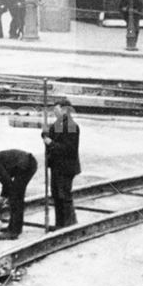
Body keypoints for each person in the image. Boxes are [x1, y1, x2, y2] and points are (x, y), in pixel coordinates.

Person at [43, 97, 81, 230]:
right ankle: (61, 224)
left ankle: (69, 225)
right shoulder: (59, 123)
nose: (54, 111)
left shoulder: (71, 125)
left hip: (66, 167)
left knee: (63, 195)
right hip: (57, 166)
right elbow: (51, 135)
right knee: (57, 195)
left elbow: (69, 149)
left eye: (56, 109)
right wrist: (45, 134)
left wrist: (51, 143)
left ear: (64, 110)